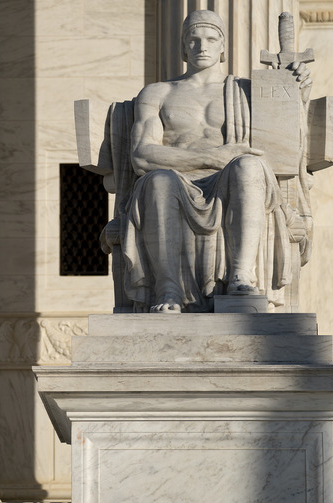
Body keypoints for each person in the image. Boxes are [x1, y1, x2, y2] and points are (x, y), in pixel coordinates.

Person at [122, 10, 312, 312]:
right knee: (157, 180)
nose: (202, 46)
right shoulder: (157, 93)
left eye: (211, 39)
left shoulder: (249, 91)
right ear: (183, 47)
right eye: (193, 40)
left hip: (233, 182)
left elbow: (287, 144)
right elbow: (141, 156)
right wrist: (211, 156)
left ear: (223, 47)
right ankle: (168, 288)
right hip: (177, 180)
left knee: (249, 166)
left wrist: (296, 92)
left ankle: (241, 276)